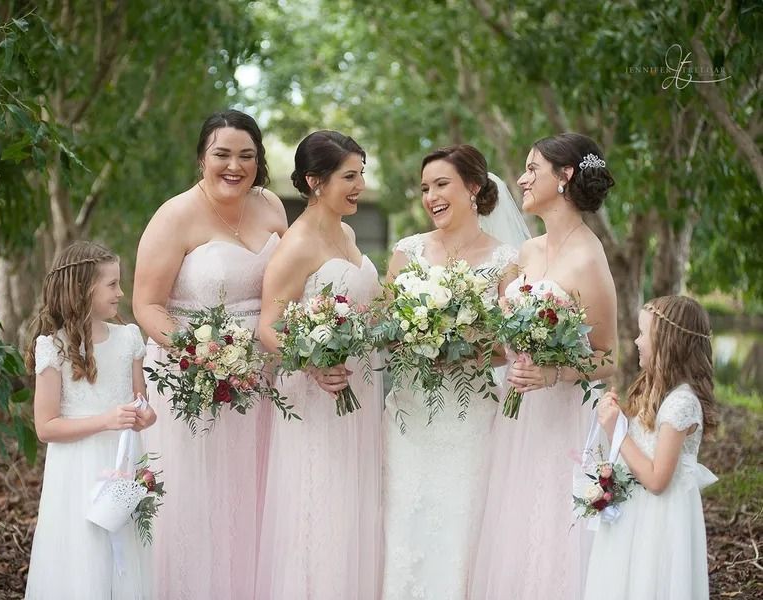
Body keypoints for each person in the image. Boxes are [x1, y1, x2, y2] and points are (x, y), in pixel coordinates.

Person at [133, 109, 287, 600]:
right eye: (222, 154)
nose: (234, 166)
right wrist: (199, 354)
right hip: (191, 378)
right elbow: (146, 304)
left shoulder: (270, 207)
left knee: (251, 493)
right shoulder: (175, 215)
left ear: (259, 162)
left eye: (247, 156)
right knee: (196, 497)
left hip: (260, 377)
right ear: (202, 157)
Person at [470, 133, 618, 600]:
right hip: (519, 415)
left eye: (533, 169)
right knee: (515, 525)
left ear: (565, 176)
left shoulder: (589, 258)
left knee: (553, 528)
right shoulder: (528, 252)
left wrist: (553, 373)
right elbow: (504, 332)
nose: (520, 178)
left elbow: (610, 355)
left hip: (563, 420)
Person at [381, 145, 521, 598]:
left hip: (470, 416)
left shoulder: (507, 260)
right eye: (425, 188)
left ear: (473, 188)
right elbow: (385, 326)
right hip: (409, 415)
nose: (431, 196)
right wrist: (416, 337)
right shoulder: (408, 251)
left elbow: (509, 347)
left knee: (462, 524)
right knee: (407, 520)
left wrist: (464, 352)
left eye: (442, 184)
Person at [254, 130, 383, 600]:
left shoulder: (347, 232)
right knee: (319, 505)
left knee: (350, 504)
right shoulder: (297, 244)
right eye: (350, 176)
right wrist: (312, 364)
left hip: (358, 391)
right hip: (317, 395)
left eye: (361, 174)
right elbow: (269, 327)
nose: (360, 185)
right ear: (315, 181)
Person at [25, 241, 155, 599]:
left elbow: (140, 402)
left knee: (123, 556)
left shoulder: (128, 339)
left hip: (121, 463)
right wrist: (105, 420)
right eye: (112, 284)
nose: (121, 292)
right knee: (83, 556)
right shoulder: (54, 347)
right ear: (83, 289)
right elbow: (45, 426)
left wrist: (143, 415)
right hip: (77, 469)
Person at [585, 295, 717, 600]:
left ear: (667, 342)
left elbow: (657, 480)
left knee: (651, 583)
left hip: (660, 521)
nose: (636, 340)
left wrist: (616, 430)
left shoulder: (681, 403)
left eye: (644, 333)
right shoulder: (661, 393)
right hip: (640, 515)